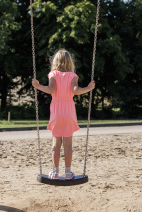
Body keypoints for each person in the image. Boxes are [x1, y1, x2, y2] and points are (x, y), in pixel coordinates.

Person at [32, 49, 95, 180]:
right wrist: (88, 88)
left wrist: (37, 86)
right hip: (68, 110)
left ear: (55, 61)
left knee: (56, 143)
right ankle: (68, 172)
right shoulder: (72, 75)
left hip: (56, 111)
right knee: (68, 143)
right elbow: (75, 90)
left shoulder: (53, 74)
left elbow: (50, 90)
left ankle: (55, 172)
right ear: (70, 62)